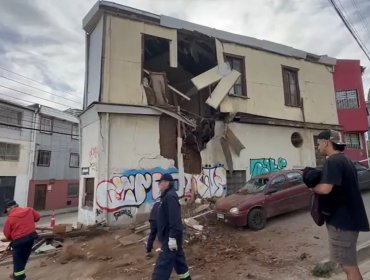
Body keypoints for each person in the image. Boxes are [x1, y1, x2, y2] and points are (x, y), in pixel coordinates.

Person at [313, 130, 369, 280]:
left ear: (326, 142)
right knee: (349, 265)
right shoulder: (345, 160)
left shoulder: (333, 161)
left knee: (348, 266)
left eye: (318, 143)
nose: (317, 146)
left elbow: (325, 189)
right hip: (349, 221)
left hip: (342, 223)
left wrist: (312, 187)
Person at [152, 174, 191, 280]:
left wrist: (172, 238)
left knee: (161, 268)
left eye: (161, 182)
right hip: (171, 238)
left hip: (170, 239)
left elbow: (175, 220)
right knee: (180, 265)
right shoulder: (166, 196)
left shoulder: (170, 197)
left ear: (167, 183)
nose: (159, 184)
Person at [3, 200, 40, 280]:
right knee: (24, 257)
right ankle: (16, 274)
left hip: (19, 241)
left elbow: (7, 234)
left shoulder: (10, 218)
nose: (7, 213)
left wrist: (12, 238)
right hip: (31, 238)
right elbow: (37, 218)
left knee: (18, 259)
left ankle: (19, 277)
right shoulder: (29, 210)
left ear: (10, 208)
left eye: (7, 211)